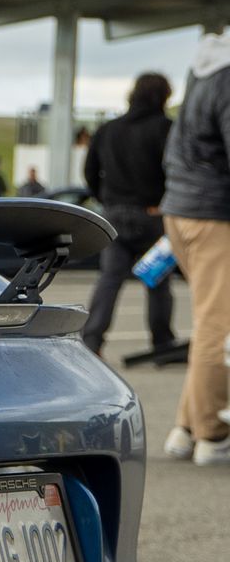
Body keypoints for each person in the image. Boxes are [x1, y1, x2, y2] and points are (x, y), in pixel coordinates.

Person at [160, 32, 230, 464]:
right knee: (219, 326)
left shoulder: (203, 69)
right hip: (213, 213)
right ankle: (214, 434)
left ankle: (185, 430)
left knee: (208, 318)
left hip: (181, 209)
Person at [80, 71, 175, 359]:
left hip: (113, 216)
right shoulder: (165, 128)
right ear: (162, 97)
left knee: (109, 279)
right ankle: (162, 342)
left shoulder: (108, 129)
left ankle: (92, 341)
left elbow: (89, 171)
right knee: (157, 279)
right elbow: (176, 168)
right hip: (153, 214)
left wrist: (105, 198)